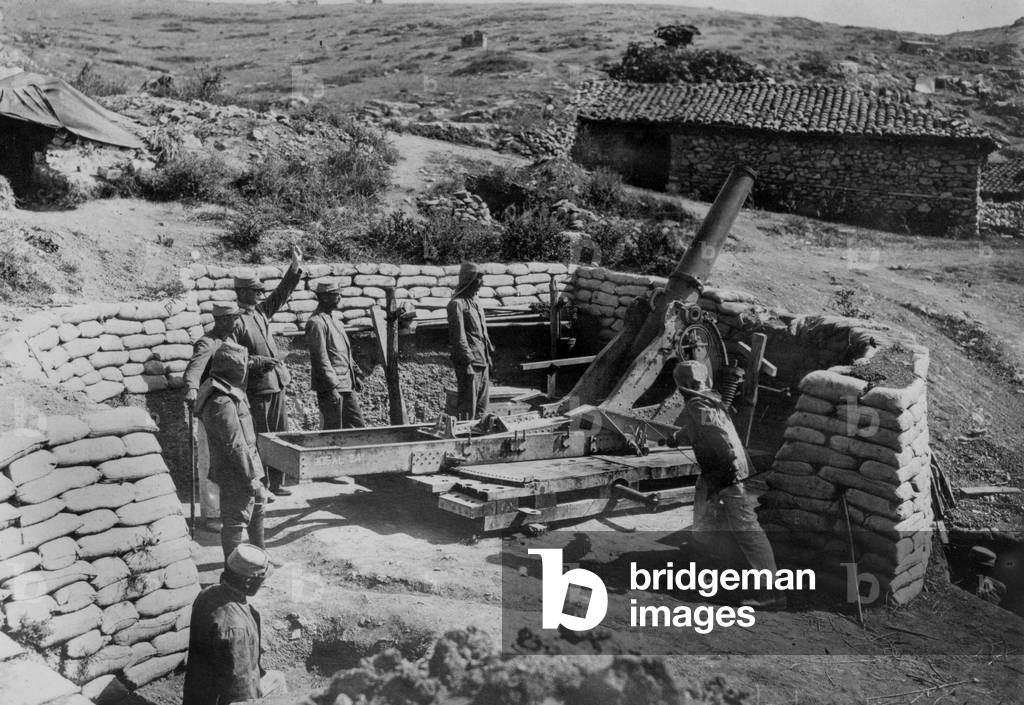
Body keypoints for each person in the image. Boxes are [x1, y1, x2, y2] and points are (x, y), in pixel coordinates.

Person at [672, 360, 785, 610]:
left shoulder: (697, 403)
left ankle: (772, 593)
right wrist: (677, 437)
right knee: (704, 511)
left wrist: (724, 477)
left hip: (726, 473)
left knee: (747, 529)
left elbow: (718, 437)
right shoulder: (709, 401)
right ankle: (701, 565)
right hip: (719, 471)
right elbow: (703, 427)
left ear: (680, 385)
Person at [234, 245, 303, 497]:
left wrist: (294, 268)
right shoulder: (236, 322)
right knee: (263, 438)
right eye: (255, 291)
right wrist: (257, 362)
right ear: (242, 292)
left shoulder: (261, 313)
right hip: (258, 388)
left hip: (276, 384)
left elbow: (280, 295)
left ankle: (277, 482)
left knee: (280, 435)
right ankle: (262, 486)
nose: (259, 294)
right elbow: (234, 357)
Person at [182, 544, 286, 705]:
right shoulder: (236, 627)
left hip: (197, 697)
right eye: (261, 579)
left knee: (277, 679)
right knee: (280, 689)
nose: (263, 583)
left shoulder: (206, 594)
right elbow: (242, 693)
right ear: (248, 581)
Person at [195, 342, 266, 563]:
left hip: (246, 465)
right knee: (236, 519)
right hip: (236, 470)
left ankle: (259, 557)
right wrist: (249, 477)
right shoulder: (221, 402)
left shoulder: (227, 392)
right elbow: (234, 446)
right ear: (234, 369)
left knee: (258, 504)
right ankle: (234, 569)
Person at [183, 302, 244, 531]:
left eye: (235, 318)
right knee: (208, 461)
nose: (234, 322)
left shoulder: (231, 341)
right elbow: (193, 370)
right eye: (230, 318)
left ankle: (225, 508)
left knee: (228, 459)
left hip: (229, 409)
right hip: (210, 411)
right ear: (220, 319)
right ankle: (210, 515)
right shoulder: (206, 343)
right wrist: (191, 389)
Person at [305, 279, 365, 429]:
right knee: (334, 431)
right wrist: (332, 388)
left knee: (357, 427)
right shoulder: (316, 323)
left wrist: (355, 374)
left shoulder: (336, 321)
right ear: (324, 297)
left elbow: (344, 353)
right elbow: (320, 359)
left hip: (346, 384)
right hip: (332, 388)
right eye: (336, 294)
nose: (339, 298)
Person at [446, 262, 494, 420]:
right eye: (479, 278)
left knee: (481, 408)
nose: (482, 282)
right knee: (468, 408)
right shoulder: (456, 305)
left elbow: (483, 334)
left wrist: (488, 358)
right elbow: (458, 338)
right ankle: (464, 438)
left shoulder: (477, 303)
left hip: (483, 362)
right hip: (470, 364)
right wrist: (467, 363)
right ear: (469, 279)